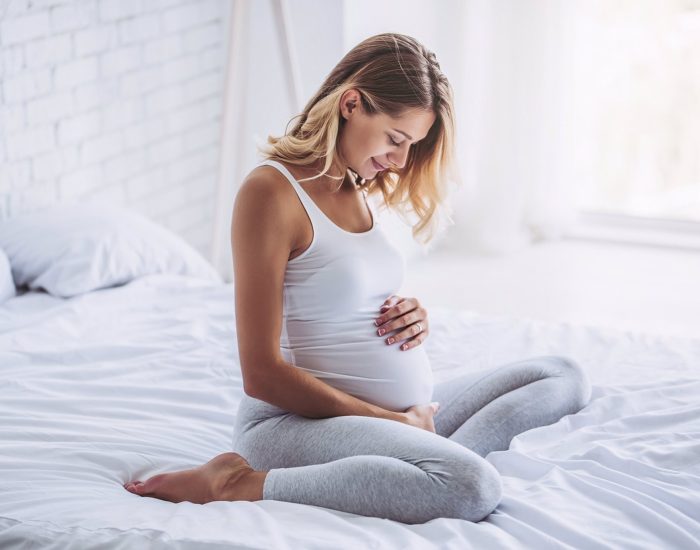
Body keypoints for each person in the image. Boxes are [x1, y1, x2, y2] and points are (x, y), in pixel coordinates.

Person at [123, 33, 591, 524]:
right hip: (292, 425)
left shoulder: (355, 183)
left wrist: (413, 316)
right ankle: (239, 483)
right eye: (395, 139)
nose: (401, 161)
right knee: (470, 487)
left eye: (411, 146)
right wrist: (391, 422)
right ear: (351, 104)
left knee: (561, 375)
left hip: (392, 418)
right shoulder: (270, 193)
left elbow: (342, 295)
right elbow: (260, 373)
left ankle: (416, 456)